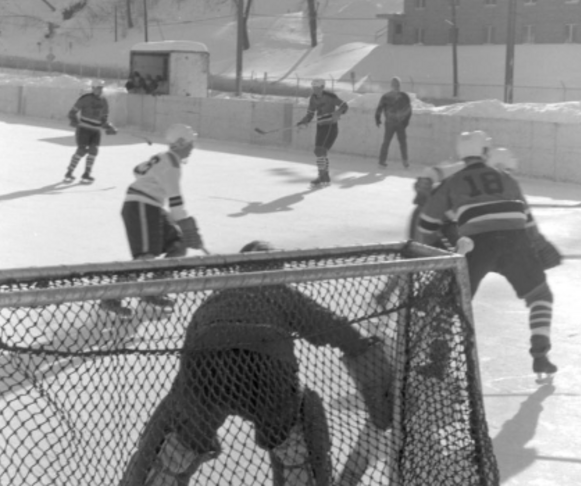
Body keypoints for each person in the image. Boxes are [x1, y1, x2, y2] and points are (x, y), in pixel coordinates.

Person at [118, 241, 391, 486]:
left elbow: (188, 357)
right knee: (296, 438)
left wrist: (187, 410)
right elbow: (332, 327)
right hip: (267, 372)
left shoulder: (216, 296)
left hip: (206, 369)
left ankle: (167, 464)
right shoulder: (278, 290)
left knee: (177, 442)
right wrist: (369, 362)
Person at [416, 130, 558, 380]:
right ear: (485, 152)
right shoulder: (506, 178)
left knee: (449, 301)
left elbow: (426, 224)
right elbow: (527, 220)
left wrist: (429, 251)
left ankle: (438, 362)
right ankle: (540, 355)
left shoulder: (453, 181)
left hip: (475, 244)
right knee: (540, 296)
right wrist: (540, 246)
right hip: (516, 241)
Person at [101, 124, 205, 317]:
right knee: (145, 257)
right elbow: (175, 201)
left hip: (151, 206)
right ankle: (110, 298)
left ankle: (152, 290)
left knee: (178, 244)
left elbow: (138, 170)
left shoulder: (163, 157)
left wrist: (185, 229)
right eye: (190, 143)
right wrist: (188, 227)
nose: (192, 147)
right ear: (181, 143)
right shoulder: (172, 165)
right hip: (141, 206)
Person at [296, 79, 348, 187]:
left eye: (317, 88)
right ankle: (324, 176)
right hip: (320, 126)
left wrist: (338, 113)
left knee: (319, 151)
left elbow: (344, 106)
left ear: (322, 87)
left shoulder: (330, 97)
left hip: (330, 126)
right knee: (320, 152)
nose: (314, 90)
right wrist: (303, 122)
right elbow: (310, 114)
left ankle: (322, 176)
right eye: (313, 88)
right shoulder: (313, 98)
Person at [64, 79, 117, 183]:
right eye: (97, 88)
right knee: (82, 150)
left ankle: (87, 173)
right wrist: (74, 121)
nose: (99, 90)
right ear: (93, 88)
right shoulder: (85, 99)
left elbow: (103, 119)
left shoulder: (104, 101)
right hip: (84, 129)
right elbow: (72, 112)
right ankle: (69, 171)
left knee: (94, 150)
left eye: (101, 88)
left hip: (95, 131)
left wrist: (109, 127)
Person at [374, 76, 412, 169]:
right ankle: (384, 161)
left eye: (397, 84)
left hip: (396, 123)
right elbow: (380, 108)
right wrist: (377, 118)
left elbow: (408, 110)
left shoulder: (401, 96)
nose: (396, 86)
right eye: (395, 84)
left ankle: (402, 161)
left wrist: (405, 122)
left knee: (395, 142)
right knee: (392, 142)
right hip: (393, 123)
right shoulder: (391, 96)